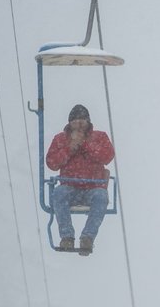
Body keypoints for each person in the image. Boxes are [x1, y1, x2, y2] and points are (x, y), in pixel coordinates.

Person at [46, 104, 115, 255]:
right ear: (69, 122)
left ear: (88, 122)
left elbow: (107, 156)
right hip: (70, 187)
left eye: (82, 120)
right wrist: (70, 147)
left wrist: (85, 144)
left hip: (93, 188)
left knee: (101, 197)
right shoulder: (60, 139)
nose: (79, 123)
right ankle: (67, 236)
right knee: (59, 193)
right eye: (75, 120)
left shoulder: (99, 137)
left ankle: (87, 238)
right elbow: (52, 163)